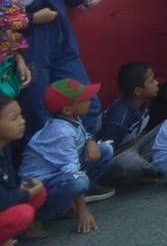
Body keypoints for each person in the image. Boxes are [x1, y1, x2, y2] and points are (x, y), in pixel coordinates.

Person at [4, 0, 97, 141]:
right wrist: (34, 18)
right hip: (32, 49)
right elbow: (4, 15)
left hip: (62, 45)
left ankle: (83, 154)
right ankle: (41, 170)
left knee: (86, 102)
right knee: (37, 114)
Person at [19, 79, 112, 233]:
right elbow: (73, 172)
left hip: (58, 173)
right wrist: (83, 211)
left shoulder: (71, 118)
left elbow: (81, 137)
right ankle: (37, 216)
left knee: (104, 150)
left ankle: (67, 203)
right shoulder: (61, 132)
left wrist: (90, 141)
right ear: (68, 109)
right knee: (78, 182)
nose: (89, 99)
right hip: (38, 183)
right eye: (83, 99)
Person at [96, 62, 161, 187]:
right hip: (111, 162)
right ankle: (157, 171)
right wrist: (133, 142)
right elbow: (103, 155)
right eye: (151, 81)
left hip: (133, 148)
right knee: (127, 160)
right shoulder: (118, 119)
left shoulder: (140, 103)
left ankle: (142, 173)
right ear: (138, 90)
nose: (156, 83)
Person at [0, 97, 45, 244]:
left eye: (21, 115)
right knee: (23, 213)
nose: (22, 121)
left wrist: (25, 190)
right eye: (14, 118)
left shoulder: (5, 144)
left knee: (39, 193)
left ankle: (7, 234)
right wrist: (28, 192)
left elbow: (9, 182)